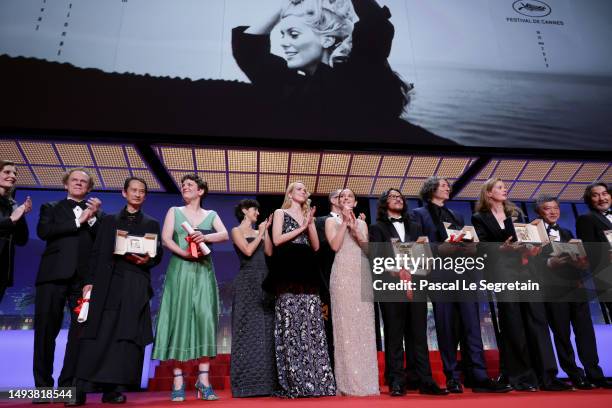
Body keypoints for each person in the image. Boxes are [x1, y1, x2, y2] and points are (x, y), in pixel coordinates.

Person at [231, 0, 456, 145]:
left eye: (293, 34)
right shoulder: (292, 87)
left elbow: (375, 26)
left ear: (328, 38)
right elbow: (249, 51)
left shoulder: (359, 77)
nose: (284, 43)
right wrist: (285, 7)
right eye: (283, 35)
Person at [412, 177, 510, 394]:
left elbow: (468, 240)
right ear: (431, 189)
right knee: (446, 326)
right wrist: (439, 249)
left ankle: (479, 376)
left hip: (465, 274)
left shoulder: (457, 215)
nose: (448, 187)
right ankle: (452, 377)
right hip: (438, 275)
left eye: (448, 185)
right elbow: (418, 244)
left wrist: (471, 248)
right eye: (443, 184)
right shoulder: (418, 214)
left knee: (472, 325)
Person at [471, 178, 571, 392]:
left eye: (504, 187)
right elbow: (483, 248)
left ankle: (547, 375)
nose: (504, 189)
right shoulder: (479, 218)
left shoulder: (517, 214)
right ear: (488, 193)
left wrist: (534, 247)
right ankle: (521, 376)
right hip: (503, 273)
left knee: (537, 320)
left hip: (527, 271)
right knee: (513, 322)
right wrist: (502, 249)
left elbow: (530, 238)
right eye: (499, 187)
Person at [70, 177, 162, 405]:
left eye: (142, 191)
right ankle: (79, 388)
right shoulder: (109, 221)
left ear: (145, 196)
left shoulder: (151, 223)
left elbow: (156, 253)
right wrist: (89, 281)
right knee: (96, 334)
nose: (138, 194)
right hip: (107, 283)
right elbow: (96, 252)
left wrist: (147, 260)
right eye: (134, 190)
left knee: (125, 338)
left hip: (135, 284)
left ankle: (112, 389)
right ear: (124, 192)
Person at [152, 174, 229, 401]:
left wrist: (204, 237)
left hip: (204, 270)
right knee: (180, 319)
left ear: (201, 191)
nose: (185, 187)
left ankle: (203, 380)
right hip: (181, 270)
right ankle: (178, 380)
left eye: (190, 185)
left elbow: (224, 234)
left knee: (205, 319)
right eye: (183, 185)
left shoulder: (211, 215)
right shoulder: (174, 211)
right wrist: (184, 253)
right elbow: (166, 238)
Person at [369, 188, 448, 396]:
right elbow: (376, 257)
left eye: (400, 197)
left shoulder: (415, 226)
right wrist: (395, 271)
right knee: (394, 335)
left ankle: (425, 380)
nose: (398, 199)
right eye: (393, 197)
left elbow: (424, 253)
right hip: (391, 286)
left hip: (418, 284)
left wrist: (427, 261)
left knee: (419, 334)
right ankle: (396, 381)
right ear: (385, 203)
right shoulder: (377, 228)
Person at [263, 181, 336, 398]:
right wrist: (302, 228)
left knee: (312, 324)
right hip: (287, 270)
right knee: (291, 324)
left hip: (307, 270)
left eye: (306, 190)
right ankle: (294, 381)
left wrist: (310, 224)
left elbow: (315, 246)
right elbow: (277, 240)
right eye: (299, 189)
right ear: (290, 193)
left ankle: (317, 380)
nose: (304, 191)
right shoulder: (280, 212)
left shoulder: (307, 216)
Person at [33, 168, 103, 390]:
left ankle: (68, 387)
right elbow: (44, 231)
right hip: (52, 278)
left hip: (82, 283)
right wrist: (78, 221)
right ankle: (43, 387)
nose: (79, 184)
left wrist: (91, 218)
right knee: (45, 333)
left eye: (84, 182)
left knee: (78, 335)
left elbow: (102, 243)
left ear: (89, 188)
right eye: (74, 180)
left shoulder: (97, 216)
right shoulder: (51, 207)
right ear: (66, 184)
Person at [534, 194, 612, 389]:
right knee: (562, 335)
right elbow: (529, 264)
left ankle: (595, 373)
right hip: (553, 291)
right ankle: (575, 374)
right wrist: (549, 263)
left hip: (576, 288)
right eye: (547, 208)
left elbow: (584, 262)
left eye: (556, 208)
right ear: (539, 212)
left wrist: (582, 263)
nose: (553, 212)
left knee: (586, 333)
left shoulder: (568, 232)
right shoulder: (533, 233)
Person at [325, 188, 378, 396]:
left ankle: (367, 381)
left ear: (355, 203)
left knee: (364, 326)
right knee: (345, 328)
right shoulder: (331, 222)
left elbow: (367, 249)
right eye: (342, 197)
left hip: (361, 271)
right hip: (342, 274)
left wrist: (356, 228)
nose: (345, 199)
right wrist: (345, 223)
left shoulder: (363, 223)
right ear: (337, 202)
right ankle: (347, 383)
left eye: (350, 197)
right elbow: (335, 246)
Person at [229, 199, 277, 397]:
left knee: (266, 329)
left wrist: (264, 232)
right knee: (246, 329)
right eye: (254, 209)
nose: (257, 213)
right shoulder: (236, 230)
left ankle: (267, 383)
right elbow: (247, 251)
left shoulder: (261, 231)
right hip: (246, 280)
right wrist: (260, 232)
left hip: (264, 280)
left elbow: (269, 253)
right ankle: (245, 384)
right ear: (244, 211)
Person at [575, 181, 612, 320]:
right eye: (596, 195)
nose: (602, 198)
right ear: (589, 200)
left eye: (605, 193)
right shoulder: (586, 219)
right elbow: (590, 252)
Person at [315, 189, 342, 369]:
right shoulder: (321, 221)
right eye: (342, 196)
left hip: (352, 276)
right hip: (328, 277)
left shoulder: (357, 221)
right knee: (329, 324)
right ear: (333, 200)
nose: (346, 199)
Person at [0, 160, 30, 304]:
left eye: (14, 173)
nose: (12, 176)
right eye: (7, 172)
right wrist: (11, 219)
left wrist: (21, 213)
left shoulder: (11, 204)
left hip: (3, 271)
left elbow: (21, 240)